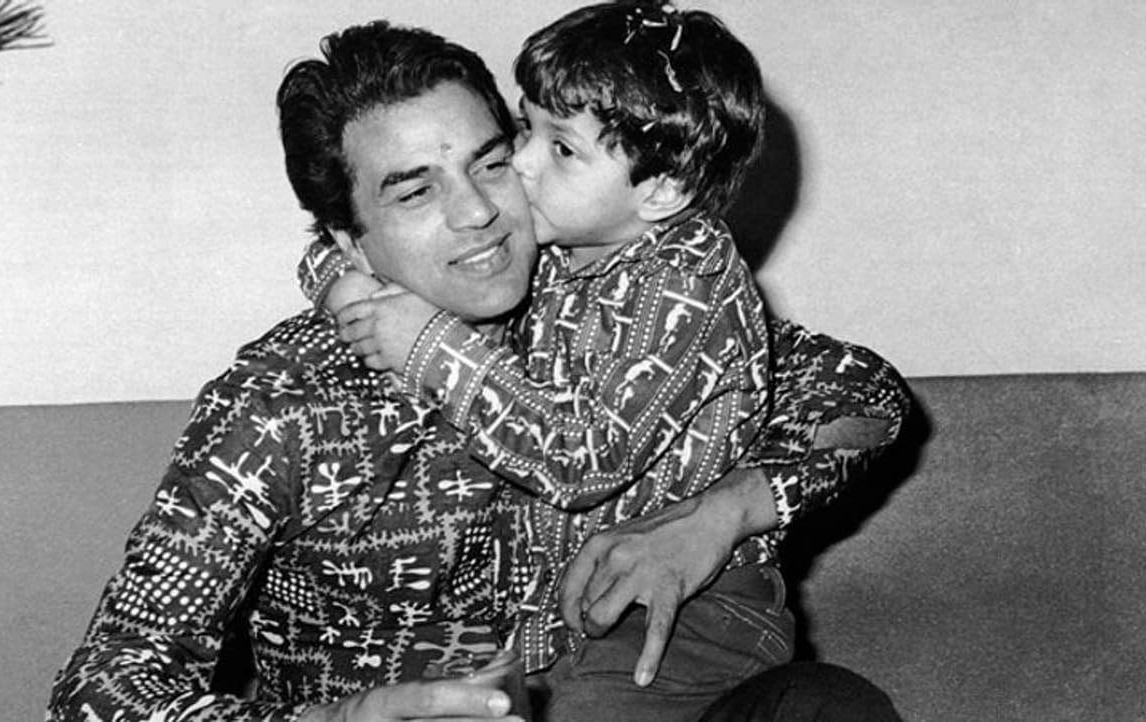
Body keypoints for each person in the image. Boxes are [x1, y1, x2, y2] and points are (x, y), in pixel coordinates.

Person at [49, 17, 908, 722]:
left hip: (618, 681)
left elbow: (864, 393)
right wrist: (335, 721)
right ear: (350, 241)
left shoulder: (593, 301)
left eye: (492, 162)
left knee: (827, 708)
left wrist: (718, 516)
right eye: (415, 191)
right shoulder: (280, 404)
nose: (479, 214)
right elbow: (99, 691)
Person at [306, 3, 907, 720]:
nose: (520, 164)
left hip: (689, 616)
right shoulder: (565, 245)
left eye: (561, 148)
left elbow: (581, 456)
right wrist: (338, 278)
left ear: (662, 189)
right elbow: (351, 245)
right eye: (525, 129)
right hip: (556, 626)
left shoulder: (686, 279)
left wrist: (432, 346)